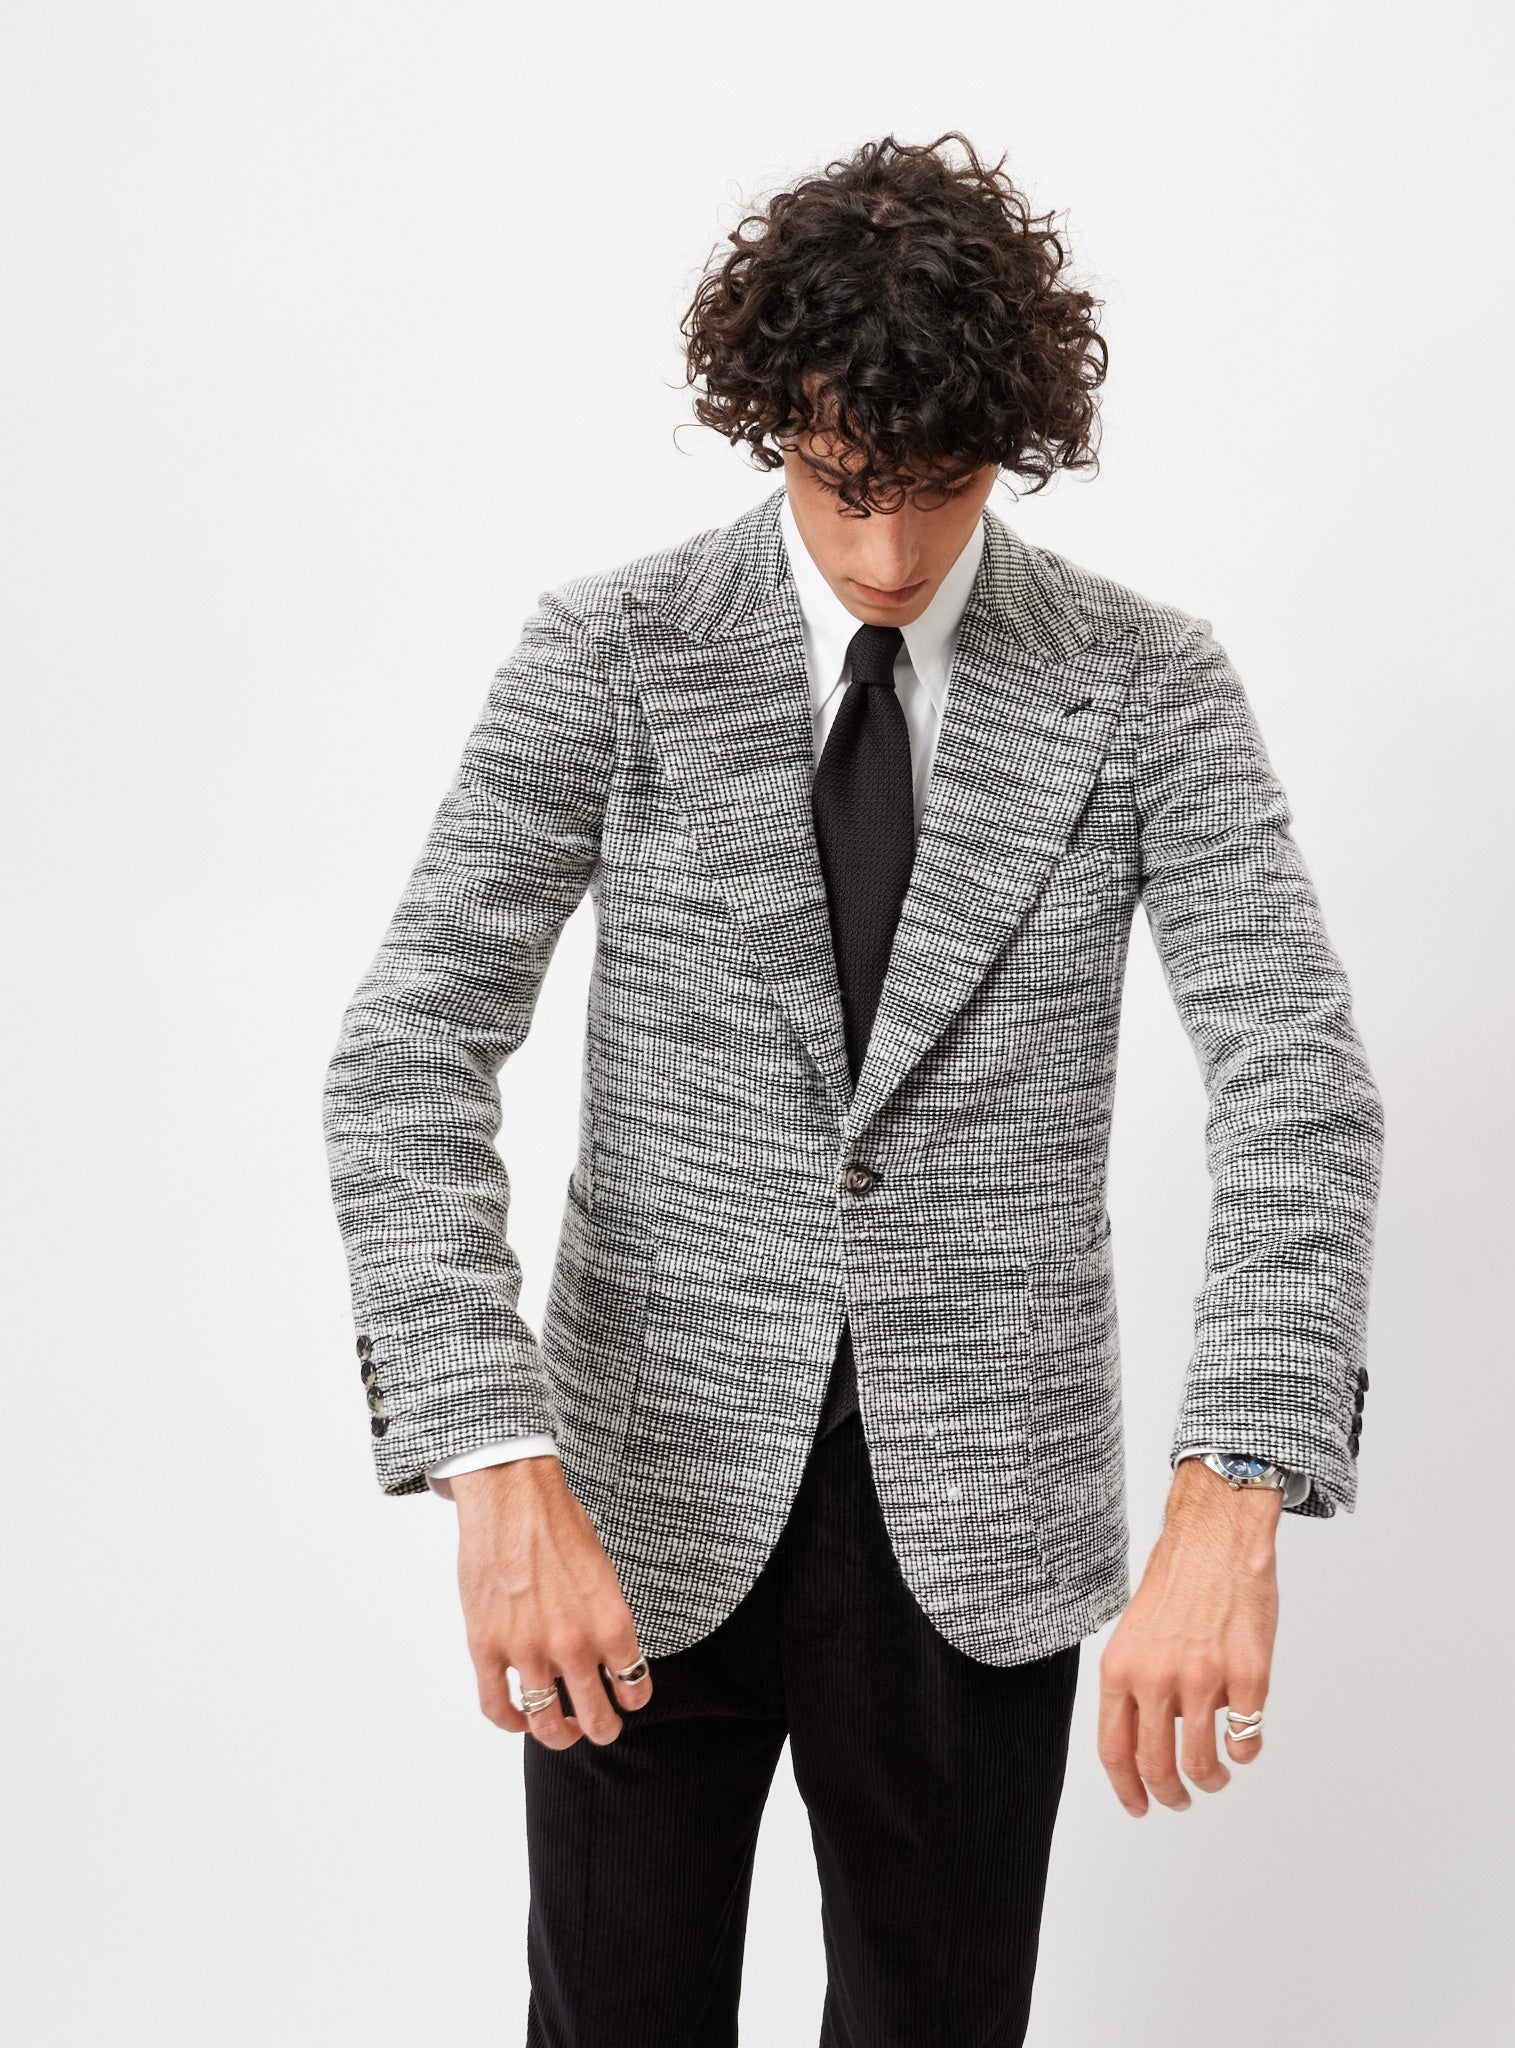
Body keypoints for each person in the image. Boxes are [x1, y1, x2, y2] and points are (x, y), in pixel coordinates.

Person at [322, 131, 1383, 2048]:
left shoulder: (1145, 685)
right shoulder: (614, 654)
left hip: (984, 1526)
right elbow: (408, 1046)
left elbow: (1296, 1083)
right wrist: (492, 1461)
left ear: (1016, 445)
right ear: (769, 428)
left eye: (944, 488)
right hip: (632, 1507)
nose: (888, 558)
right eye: (838, 486)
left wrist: (1231, 1496)